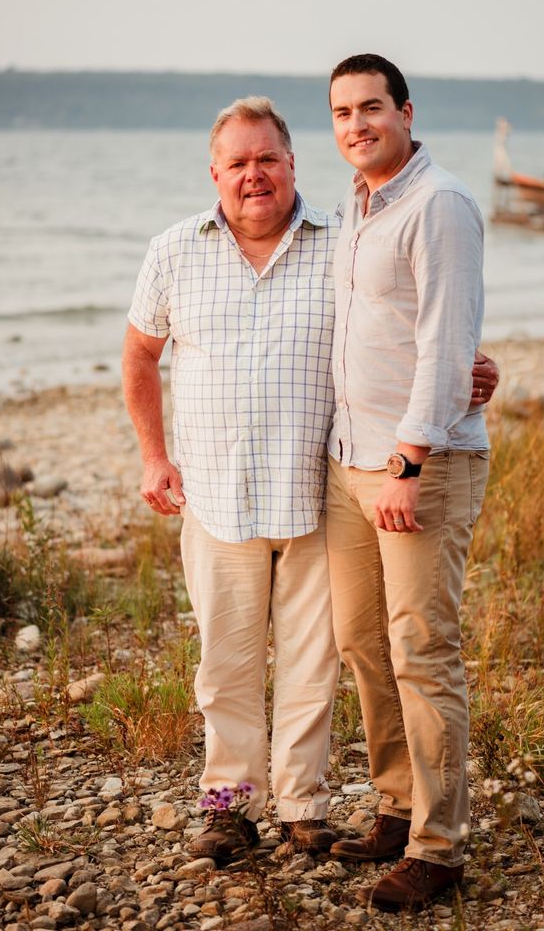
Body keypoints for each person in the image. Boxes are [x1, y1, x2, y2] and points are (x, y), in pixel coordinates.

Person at [122, 93, 498, 866]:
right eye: (237, 163)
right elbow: (138, 356)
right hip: (215, 498)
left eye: (267, 159)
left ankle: (301, 808)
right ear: (214, 172)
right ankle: (228, 807)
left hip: (316, 491)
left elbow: (408, 324)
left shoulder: (342, 239)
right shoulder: (171, 250)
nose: (253, 175)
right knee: (223, 667)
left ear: (292, 163)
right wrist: (153, 458)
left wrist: (473, 364)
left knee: (312, 665)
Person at [325, 54, 492, 912]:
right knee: (363, 644)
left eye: (371, 107)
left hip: (416, 468)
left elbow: (443, 338)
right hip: (350, 463)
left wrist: (410, 462)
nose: (356, 124)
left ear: (405, 110)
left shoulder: (440, 204)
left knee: (421, 652)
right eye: (342, 112)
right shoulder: (355, 211)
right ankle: (396, 803)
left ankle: (439, 847)